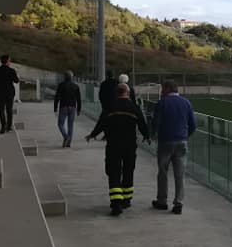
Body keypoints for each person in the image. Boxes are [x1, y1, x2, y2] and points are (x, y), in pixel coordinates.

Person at [86, 83, 149, 216]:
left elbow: (101, 123)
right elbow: (142, 124)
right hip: (130, 146)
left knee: (114, 172)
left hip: (113, 145)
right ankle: (126, 200)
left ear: (116, 93)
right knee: (128, 170)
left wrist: (93, 134)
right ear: (128, 93)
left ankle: (116, 204)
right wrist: (147, 136)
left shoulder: (110, 107)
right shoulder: (134, 107)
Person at [150, 79, 197, 214]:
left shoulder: (162, 103)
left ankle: (162, 200)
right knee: (179, 174)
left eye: (162, 89)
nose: (161, 91)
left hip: (165, 141)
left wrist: (153, 135)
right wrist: (185, 136)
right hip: (181, 141)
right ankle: (178, 203)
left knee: (163, 172)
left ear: (168, 89)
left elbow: (156, 122)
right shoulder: (186, 103)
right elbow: (193, 125)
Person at [0, 54, 19, 133]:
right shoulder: (12, 70)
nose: (10, 62)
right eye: (9, 61)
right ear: (7, 61)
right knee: (9, 110)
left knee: (1, 109)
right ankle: (9, 127)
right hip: (10, 92)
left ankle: (3, 126)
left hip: (0, 92)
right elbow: (16, 81)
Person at [54, 70, 82, 147]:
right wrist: (79, 109)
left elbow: (57, 97)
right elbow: (79, 99)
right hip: (73, 107)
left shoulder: (61, 85)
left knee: (60, 124)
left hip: (63, 107)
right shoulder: (76, 86)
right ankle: (68, 143)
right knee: (70, 125)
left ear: (64, 77)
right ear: (72, 77)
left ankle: (66, 137)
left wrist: (55, 108)